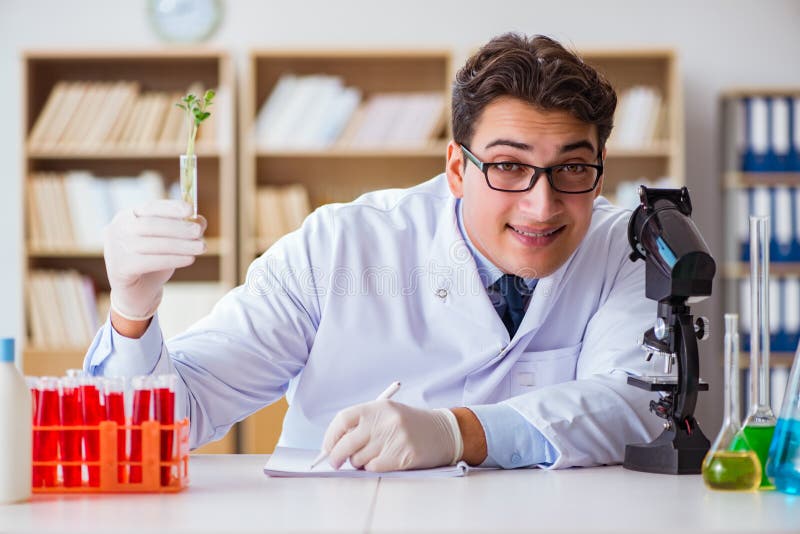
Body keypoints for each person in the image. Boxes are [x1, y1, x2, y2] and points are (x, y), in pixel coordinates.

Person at [85, 32, 662, 472]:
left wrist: (458, 433)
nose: (543, 205)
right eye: (509, 165)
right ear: (458, 169)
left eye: (572, 168)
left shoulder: (626, 246)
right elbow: (171, 423)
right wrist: (132, 310)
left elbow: (640, 405)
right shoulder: (337, 247)